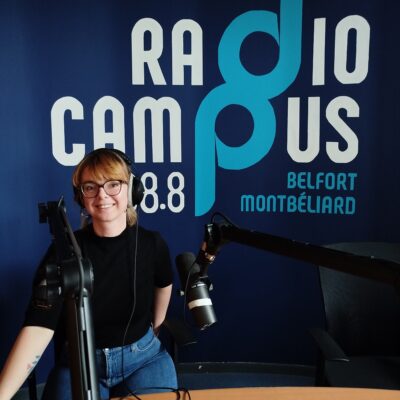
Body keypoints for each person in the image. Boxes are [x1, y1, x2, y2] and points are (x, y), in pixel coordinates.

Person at [0, 148, 177, 399]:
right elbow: (39, 325)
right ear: (80, 197)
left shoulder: (152, 244)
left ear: (131, 190)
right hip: (81, 362)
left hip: (143, 359)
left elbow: (164, 284)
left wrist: (155, 328)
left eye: (113, 184)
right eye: (90, 187)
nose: (102, 195)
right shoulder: (63, 253)